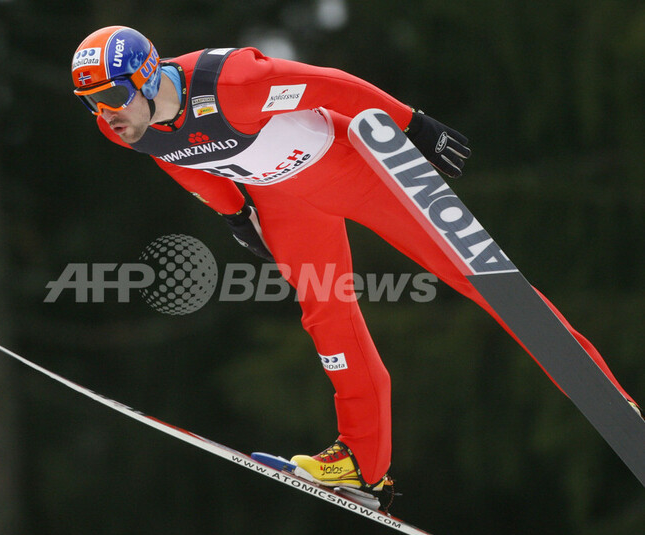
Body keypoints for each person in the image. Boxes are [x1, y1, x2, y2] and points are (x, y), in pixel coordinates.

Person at [70, 26, 640, 496]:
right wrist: (233, 214)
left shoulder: (235, 85)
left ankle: (611, 402)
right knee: (326, 315)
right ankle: (362, 465)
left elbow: (333, 86)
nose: (105, 113)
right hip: (283, 197)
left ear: (145, 76)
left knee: (475, 275)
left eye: (112, 97)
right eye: (92, 102)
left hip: (350, 166)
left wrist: (412, 124)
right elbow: (176, 157)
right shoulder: (123, 128)